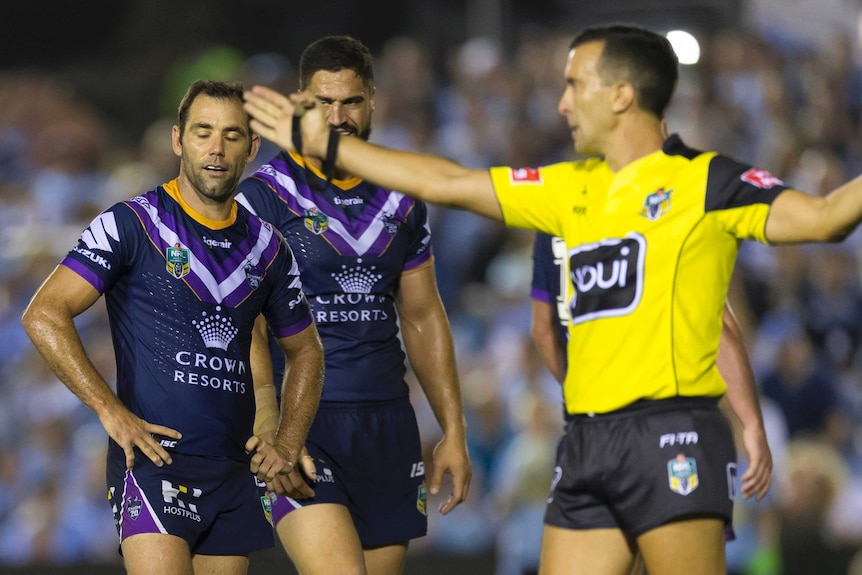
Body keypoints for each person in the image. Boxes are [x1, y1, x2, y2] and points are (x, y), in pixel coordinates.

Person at [244, 22, 857, 574]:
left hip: (672, 433)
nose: (561, 101)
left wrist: (748, 419)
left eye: (575, 85)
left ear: (621, 95)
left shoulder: (708, 181)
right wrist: (326, 145)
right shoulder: (567, 189)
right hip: (586, 441)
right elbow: (448, 182)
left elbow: (826, 217)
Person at [20, 80, 325, 575]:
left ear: (252, 147)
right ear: (178, 139)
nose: (217, 148)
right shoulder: (131, 223)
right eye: (204, 132)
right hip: (155, 464)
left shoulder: (270, 248)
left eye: (231, 135)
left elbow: (306, 351)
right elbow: (43, 313)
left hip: (233, 470)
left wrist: (288, 441)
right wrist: (110, 411)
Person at [236, 36, 471, 575]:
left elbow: (422, 316)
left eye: (351, 102)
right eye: (323, 103)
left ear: (373, 102)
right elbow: (244, 322)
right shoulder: (263, 197)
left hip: (387, 425)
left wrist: (453, 429)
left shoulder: (402, 196)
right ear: (301, 104)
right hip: (305, 422)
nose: (338, 117)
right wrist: (270, 420)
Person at [529, 231, 771, 575]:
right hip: (672, 425)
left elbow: (543, 330)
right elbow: (718, 323)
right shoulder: (666, 199)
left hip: (588, 430)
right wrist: (752, 424)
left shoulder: (552, 211)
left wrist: (583, 394)